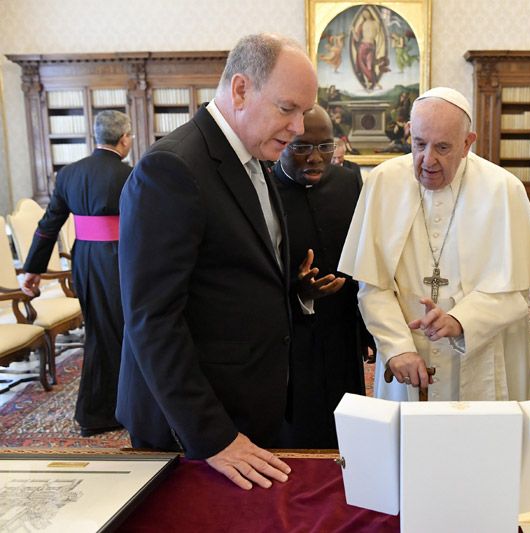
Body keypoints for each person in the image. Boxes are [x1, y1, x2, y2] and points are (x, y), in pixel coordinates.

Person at [117, 33, 320, 490]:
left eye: (304, 112)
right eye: (288, 108)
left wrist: (295, 288)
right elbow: (152, 319)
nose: (299, 127)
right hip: (192, 430)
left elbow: (234, 271)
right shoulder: (171, 169)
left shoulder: (252, 158)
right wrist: (212, 437)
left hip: (245, 407)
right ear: (241, 90)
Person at [339, 87, 530, 402]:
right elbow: (372, 285)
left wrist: (460, 320)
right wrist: (397, 347)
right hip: (407, 358)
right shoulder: (383, 183)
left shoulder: (503, 190)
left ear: (468, 143)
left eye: (442, 147)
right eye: (419, 144)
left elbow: (515, 295)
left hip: (482, 357)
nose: (428, 161)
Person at [20, 110, 133, 437]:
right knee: (124, 331)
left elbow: (48, 226)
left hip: (84, 260)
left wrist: (33, 268)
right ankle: (109, 410)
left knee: (99, 329)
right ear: (124, 138)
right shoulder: (130, 175)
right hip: (118, 258)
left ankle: (99, 410)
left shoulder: (69, 174)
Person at [271, 104, 372, 448]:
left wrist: (366, 328)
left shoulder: (350, 182)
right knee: (302, 419)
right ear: (282, 144)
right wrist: (300, 291)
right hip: (291, 327)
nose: (315, 158)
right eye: (301, 148)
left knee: (347, 413)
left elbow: (363, 254)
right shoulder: (266, 190)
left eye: (325, 146)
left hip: (343, 322)